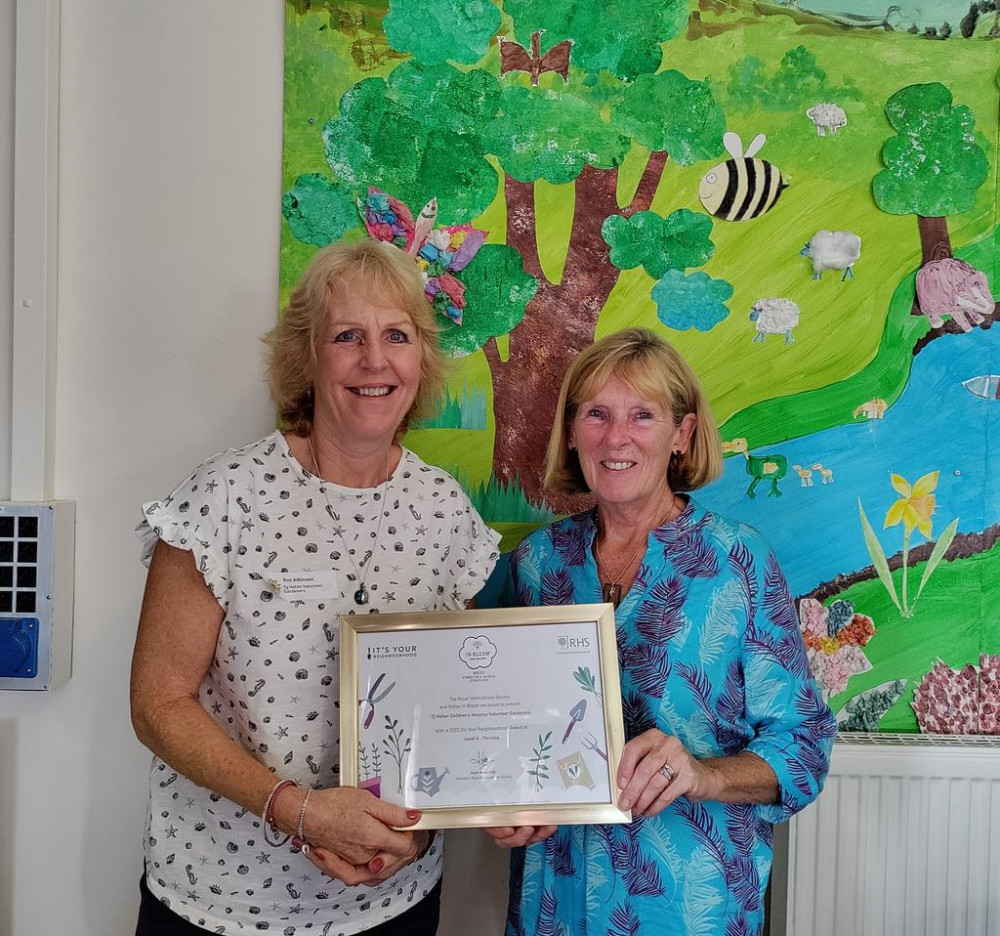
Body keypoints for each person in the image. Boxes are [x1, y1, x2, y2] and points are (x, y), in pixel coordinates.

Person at [130, 240, 500, 936]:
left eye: (397, 335)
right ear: (307, 359)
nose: (374, 360)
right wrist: (299, 809)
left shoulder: (446, 511)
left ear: (422, 359)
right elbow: (157, 704)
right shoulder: (225, 498)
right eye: (346, 337)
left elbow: (458, 711)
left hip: (392, 903)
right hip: (224, 903)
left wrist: (416, 833)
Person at [487, 328, 835, 936]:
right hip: (556, 905)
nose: (616, 437)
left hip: (690, 905)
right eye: (596, 413)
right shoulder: (538, 564)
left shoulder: (739, 561)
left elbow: (804, 746)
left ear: (683, 435)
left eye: (642, 415)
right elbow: (504, 724)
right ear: (571, 433)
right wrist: (501, 796)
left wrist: (706, 774)